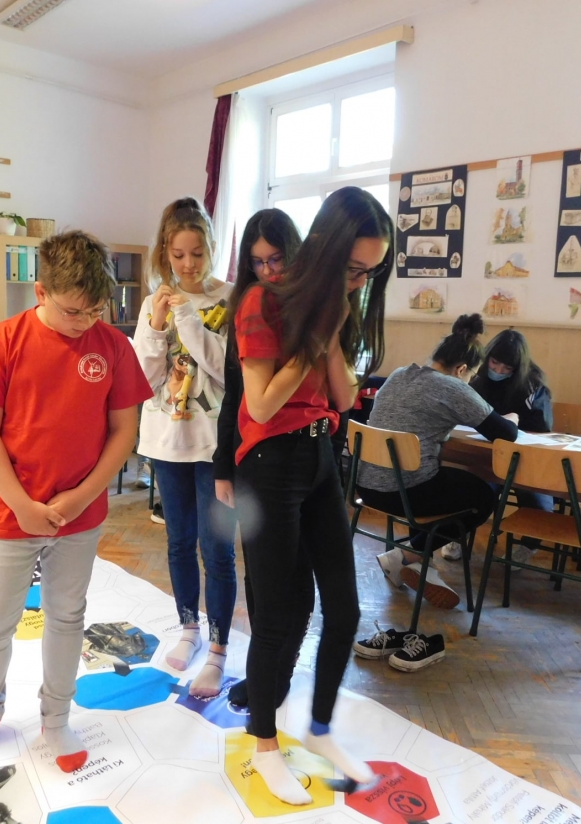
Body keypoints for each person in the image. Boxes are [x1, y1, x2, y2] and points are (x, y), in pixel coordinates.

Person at [0, 230, 152, 774]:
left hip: (79, 514)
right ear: (40, 292)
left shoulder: (112, 345)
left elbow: (123, 431)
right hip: (9, 510)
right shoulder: (3, 341)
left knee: (67, 616)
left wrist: (82, 496)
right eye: (72, 311)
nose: (84, 322)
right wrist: (22, 505)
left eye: (96, 311)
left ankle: (56, 718)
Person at [233, 187, 391, 804]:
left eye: (370, 272)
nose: (360, 282)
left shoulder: (335, 306)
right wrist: (314, 340)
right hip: (270, 462)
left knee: (345, 609)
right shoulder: (262, 300)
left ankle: (320, 729)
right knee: (276, 616)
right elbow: (261, 404)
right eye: (353, 269)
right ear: (325, 251)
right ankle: (264, 745)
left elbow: (345, 398)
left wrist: (332, 331)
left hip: (321, 455)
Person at [353, 314, 519, 661]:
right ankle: (409, 556)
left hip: (367, 488)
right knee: (483, 496)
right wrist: (512, 418)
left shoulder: (399, 374)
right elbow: (504, 433)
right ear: (462, 369)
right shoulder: (452, 387)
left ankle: (410, 559)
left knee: (451, 484)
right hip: (408, 491)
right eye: (471, 376)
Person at [133, 197, 236, 698]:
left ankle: (218, 648)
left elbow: (225, 371)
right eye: (178, 255)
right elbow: (143, 379)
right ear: (165, 252)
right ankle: (189, 628)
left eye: (197, 253)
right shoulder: (155, 300)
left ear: (211, 248)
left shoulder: (230, 298)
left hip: (214, 444)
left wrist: (189, 320)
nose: (188, 264)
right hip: (166, 442)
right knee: (178, 542)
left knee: (218, 550)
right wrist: (156, 326)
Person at [213, 209, 306, 710]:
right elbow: (237, 397)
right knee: (264, 579)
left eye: (277, 259)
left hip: (308, 460)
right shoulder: (249, 307)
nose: (269, 271)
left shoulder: (311, 307)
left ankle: (280, 673)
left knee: (298, 580)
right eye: (257, 262)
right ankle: (264, 675)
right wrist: (222, 466)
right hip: (257, 458)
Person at [463, 329, 554, 564]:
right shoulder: (477, 377)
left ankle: (529, 545)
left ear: (517, 368)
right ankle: (458, 534)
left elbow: (542, 428)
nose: (498, 370)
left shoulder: (532, 385)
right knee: (474, 488)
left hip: (522, 457)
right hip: (485, 455)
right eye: (494, 363)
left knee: (535, 497)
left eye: (506, 368)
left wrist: (508, 424)